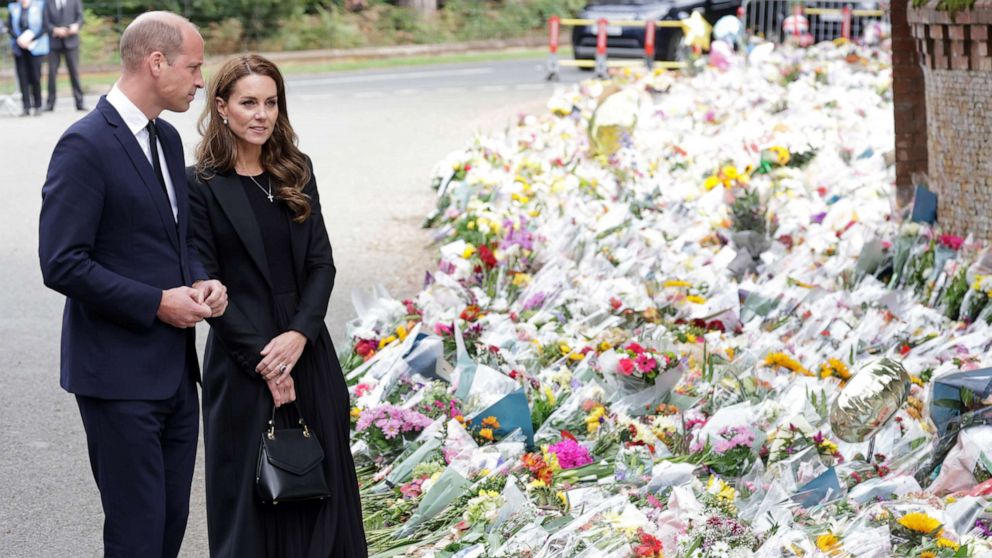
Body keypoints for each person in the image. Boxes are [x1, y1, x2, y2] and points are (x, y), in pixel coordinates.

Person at [38, 11, 227, 558]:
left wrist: (200, 279)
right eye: (194, 67)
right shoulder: (85, 144)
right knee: (136, 533)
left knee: (169, 525)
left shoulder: (167, 139)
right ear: (157, 62)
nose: (200, 81)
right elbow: (62, 262)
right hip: (116, 378)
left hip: (174, 374)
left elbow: (176, 237)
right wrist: (155, 304)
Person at [187, 54, 367, 557]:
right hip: (242, 356)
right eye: (248, 102)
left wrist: (299, 335)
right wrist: (265, 360)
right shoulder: (198, 184)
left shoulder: (296, 169)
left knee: (320, 487)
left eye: (271, 102)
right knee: (249, 496)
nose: (261, 114)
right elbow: (203, 279)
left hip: (305, 348)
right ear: (221, 108)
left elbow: (322, 264)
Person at [7, 0, 50, 116]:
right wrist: (19, 39)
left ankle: (38, 105)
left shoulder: (40, 5)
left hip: (35, 46)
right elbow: (10, 27)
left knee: (35, 77)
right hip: (19, 47)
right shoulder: (13, 7)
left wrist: (31, 39)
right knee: (22, 78)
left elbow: (45, 26)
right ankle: (26, 106)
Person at [44, 0, 85, 111]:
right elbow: (45, 22)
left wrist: (76, 26)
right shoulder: (48, 2)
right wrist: (55, 29)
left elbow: (80, 18)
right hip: (54, 43)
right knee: (51, 74)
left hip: (71, 42)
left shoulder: (75, 1)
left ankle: (79, 102)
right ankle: (50, 103)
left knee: (74, 73)